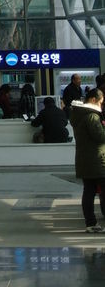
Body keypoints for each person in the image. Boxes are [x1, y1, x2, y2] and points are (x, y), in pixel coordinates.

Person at [69, 88, 105, 233]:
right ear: (93, 100)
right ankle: (91, 223)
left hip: (85, 159)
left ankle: (90, 223)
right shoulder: (91, 116)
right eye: (101, 102)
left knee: (88, 191)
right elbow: (100, 137)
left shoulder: (78, 114)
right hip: (98, 160)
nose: (101, 106)